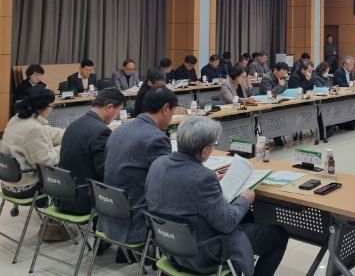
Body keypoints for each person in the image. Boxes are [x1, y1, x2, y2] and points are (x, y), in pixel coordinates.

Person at [146, 117, 289, 275]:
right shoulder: (202, 177)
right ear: (204, 150)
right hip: (202, 255)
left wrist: (212, 178)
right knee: (279, 235)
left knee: (247, 217)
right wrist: (245, 199)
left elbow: (181, 185)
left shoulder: (158, 164)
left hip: (170, 247)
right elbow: (227, 223)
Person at [100, 87, 178, 246]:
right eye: (173, 112)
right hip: (136, 222)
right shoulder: (157, 138)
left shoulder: (119, 130)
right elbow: (166, 183)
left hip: (108, 214)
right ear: (165, 109)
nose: (171, 118)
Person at [0, 88, 68, 241]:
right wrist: (63, 147)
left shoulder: (17, 119)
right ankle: (54, 224)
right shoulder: (34, 129)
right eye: (52, 106)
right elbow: (47, 162)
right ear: (44, 107)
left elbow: (49, 133)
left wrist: (70, 133)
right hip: (26, 188)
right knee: (67, 175)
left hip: (7, 183)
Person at [56, 89, 125, 215]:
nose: (117, 116)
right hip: (85, 200)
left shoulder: (73, 124)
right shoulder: (101, 131)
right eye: (118, 111)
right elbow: (104, 172)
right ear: (109, 107)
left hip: (63, 195)